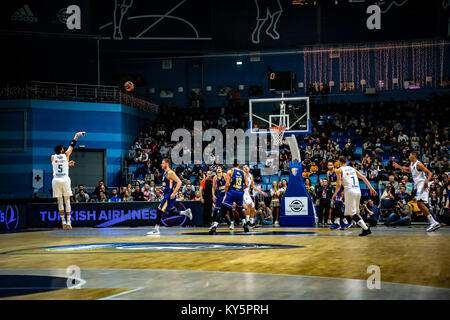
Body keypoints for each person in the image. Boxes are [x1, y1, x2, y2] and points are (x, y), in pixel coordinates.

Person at [393, 151, 440, 232]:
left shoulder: (419, 164)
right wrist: (399, 167)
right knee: (420, 204)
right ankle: (433, 222)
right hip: (418, 185)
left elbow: (430, 173)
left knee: (419, 202)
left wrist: (426, 181)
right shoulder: (412, 164)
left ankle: (433, 222)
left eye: (410, 154)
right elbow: (408, 170)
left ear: (414, 156)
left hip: (422, 183)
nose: (409, 156)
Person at [332, 156, 377, 236]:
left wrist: (335, 194)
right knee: (356, 212)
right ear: (346, 162)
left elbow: (338, 184)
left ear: (339, 162)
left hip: (350, 191)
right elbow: (363, 177)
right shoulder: (352, 168)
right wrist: (371, 188)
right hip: (358, 190)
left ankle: (366, 229)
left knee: (352, 214)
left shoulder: (339, 170)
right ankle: (364, 228)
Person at [147, 158, 192, 236]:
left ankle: (156, 230)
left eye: (163, 163)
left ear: (167, 164)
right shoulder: (165, 173)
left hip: (169, 196)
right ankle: (185, 212)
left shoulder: (170, 172)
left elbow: (179, 182)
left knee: (159, 211)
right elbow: (168, 185)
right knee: (170, 213)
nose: (161, 164)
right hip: (167, 195)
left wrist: (174, 193)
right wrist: (161, 188)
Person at [51, 131, 85, 230]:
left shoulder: (52, 157)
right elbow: (72, 144)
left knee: (60, 201)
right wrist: (77, 135)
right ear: (61, 150)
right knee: (67, 201)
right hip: (65, 179)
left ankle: (63, 221)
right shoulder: (66, 155)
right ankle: (69, 221)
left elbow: (58, 165)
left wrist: (68, 164)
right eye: (63, 149)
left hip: (56, 180)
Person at [209, 159, 248, 234]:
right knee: (239, 208)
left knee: (223, 208)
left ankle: (215, 226)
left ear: (232, 165)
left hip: (232, 191)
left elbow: (227, 185)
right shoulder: (243, 173)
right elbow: (246, 185)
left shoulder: (230, 171)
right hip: (240, 192)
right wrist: (240, 189)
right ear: (239, 165)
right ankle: (244, 223)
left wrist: (226, 193)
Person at [242, 164, 268, 229]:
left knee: (253, 207)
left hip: (247, 193)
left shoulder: (251, 175)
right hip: (242, 192)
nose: (245, 168)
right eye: (244, 167)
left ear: (249, 168)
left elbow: (253, 186)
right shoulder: (241, 175)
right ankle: (247, 222)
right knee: (249, 205)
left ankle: (252, 223)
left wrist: (262, 192)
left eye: (247, 167)